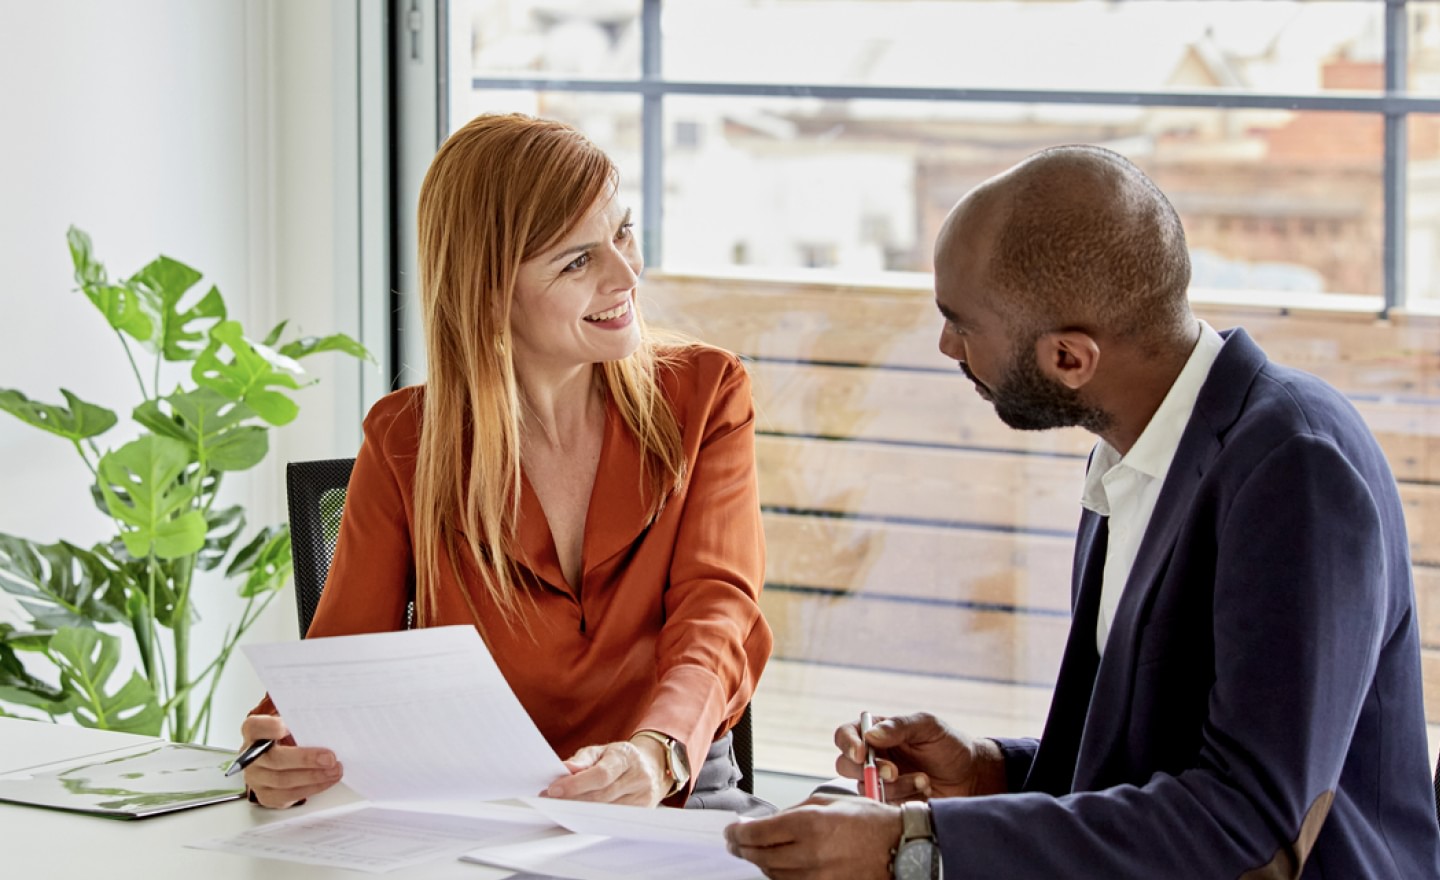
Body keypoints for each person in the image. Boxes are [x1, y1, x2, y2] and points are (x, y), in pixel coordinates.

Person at [725, 146, 1440, 878]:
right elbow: (1147, 768)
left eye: (960, 324)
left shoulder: (1297, 469)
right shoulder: (1138, 452)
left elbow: (1250, 824)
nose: (946, 346)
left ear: (1070, 358)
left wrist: (917, 844)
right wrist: (985, 772)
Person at [240, 113, 773, 815]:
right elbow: (343, 662)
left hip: (673, 789)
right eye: (577, 261)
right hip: (483, 807)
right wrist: (272, 752)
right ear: (490, 291)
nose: (626, 273)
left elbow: (718, 608)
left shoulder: (706, 394)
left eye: (621, 231)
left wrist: (659, 749)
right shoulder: (406, 440)